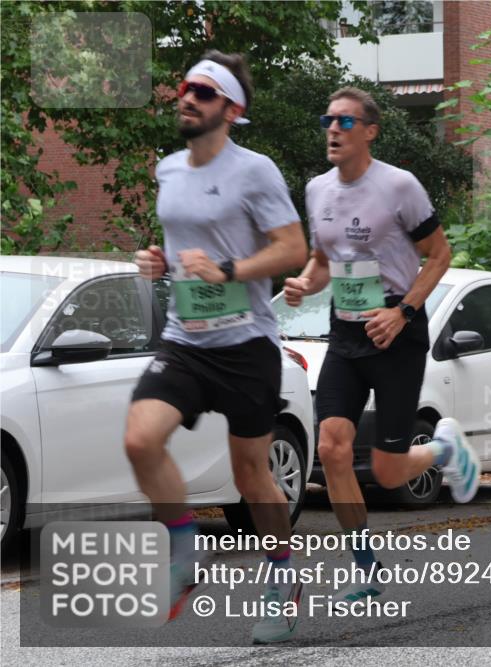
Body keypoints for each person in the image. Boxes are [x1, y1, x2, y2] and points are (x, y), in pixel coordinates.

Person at [126, 51, 308, 644]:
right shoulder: (168, 169)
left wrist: (228, 270)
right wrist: (159, 262)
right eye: (186, 87)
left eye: (203, 92)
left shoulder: (255, 171)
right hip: (186, 340)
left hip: (246, 343)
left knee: (251, 476)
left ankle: (282, 577)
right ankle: (185, 549)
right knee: (140, 439)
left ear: (231, 109)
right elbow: (182, 245)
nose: (187, 97)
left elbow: (293, 250)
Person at [282, 87, 480, 602]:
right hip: (346, 332)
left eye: (345, 122)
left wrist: (402, 311)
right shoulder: (317, 190)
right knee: (332, 447)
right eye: (328, 120)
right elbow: (322, 262)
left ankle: (443, 448)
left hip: (396, 331)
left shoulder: (398, 186)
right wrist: (304, 283)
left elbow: (439, 254)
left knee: (389, 473)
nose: (333, 129)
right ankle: (366, 569)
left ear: (370, 131)